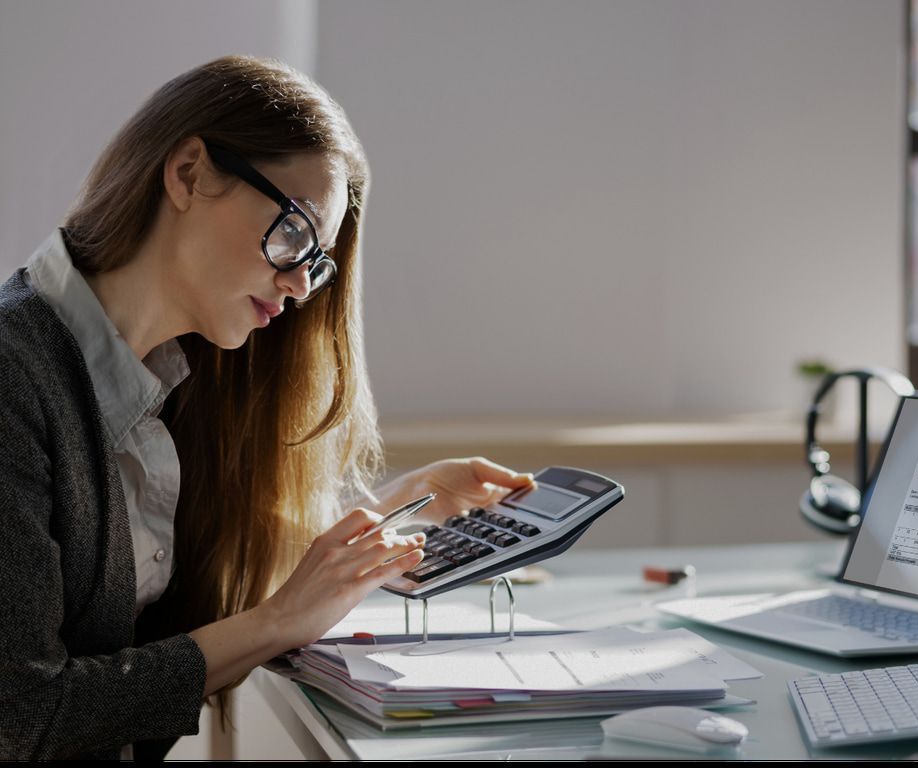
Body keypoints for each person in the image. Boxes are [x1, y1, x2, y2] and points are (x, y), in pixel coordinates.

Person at [0, 55, 534, 760]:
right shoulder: (14, 374)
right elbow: (23, 716)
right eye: (294, 233)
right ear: (189, 173)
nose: (299, 287)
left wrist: (393, 513)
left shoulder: (174, 381)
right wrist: (280, 621)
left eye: (317, 261)